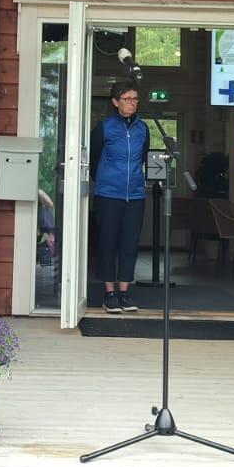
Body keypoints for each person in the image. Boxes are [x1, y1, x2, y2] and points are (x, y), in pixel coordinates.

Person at [90, 80, 148, 313]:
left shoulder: (143, 129)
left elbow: (143, 158)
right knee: (108, 243)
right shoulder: (104, 127)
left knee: (130, 244)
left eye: (134, 99)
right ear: (116, 102)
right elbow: (93, 159)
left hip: (135, 195)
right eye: (127, 99)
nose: (132, 103)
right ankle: (109, 293)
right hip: (108, 195)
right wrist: (104, 180)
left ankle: (124, 293)